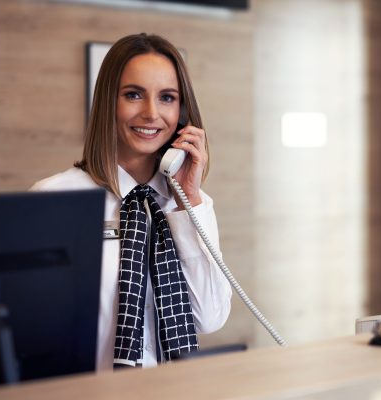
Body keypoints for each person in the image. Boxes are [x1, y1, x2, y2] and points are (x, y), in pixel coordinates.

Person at [31, 33, 232, 370]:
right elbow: (33, 331)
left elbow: (210, 318)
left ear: (183, 114)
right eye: (134, 95)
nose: (151, 113)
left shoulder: (189, 205)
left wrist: (190, 202)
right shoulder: (54, 200)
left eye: (167, 97)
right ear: (109, 101)